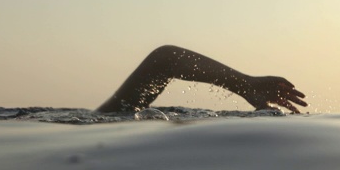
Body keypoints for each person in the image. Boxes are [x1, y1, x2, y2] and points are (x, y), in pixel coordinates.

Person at [97, 45, 307, 114]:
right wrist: (245, 84)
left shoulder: (98, 125)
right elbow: (165, 60)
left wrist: (245, 84)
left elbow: (165, 60)